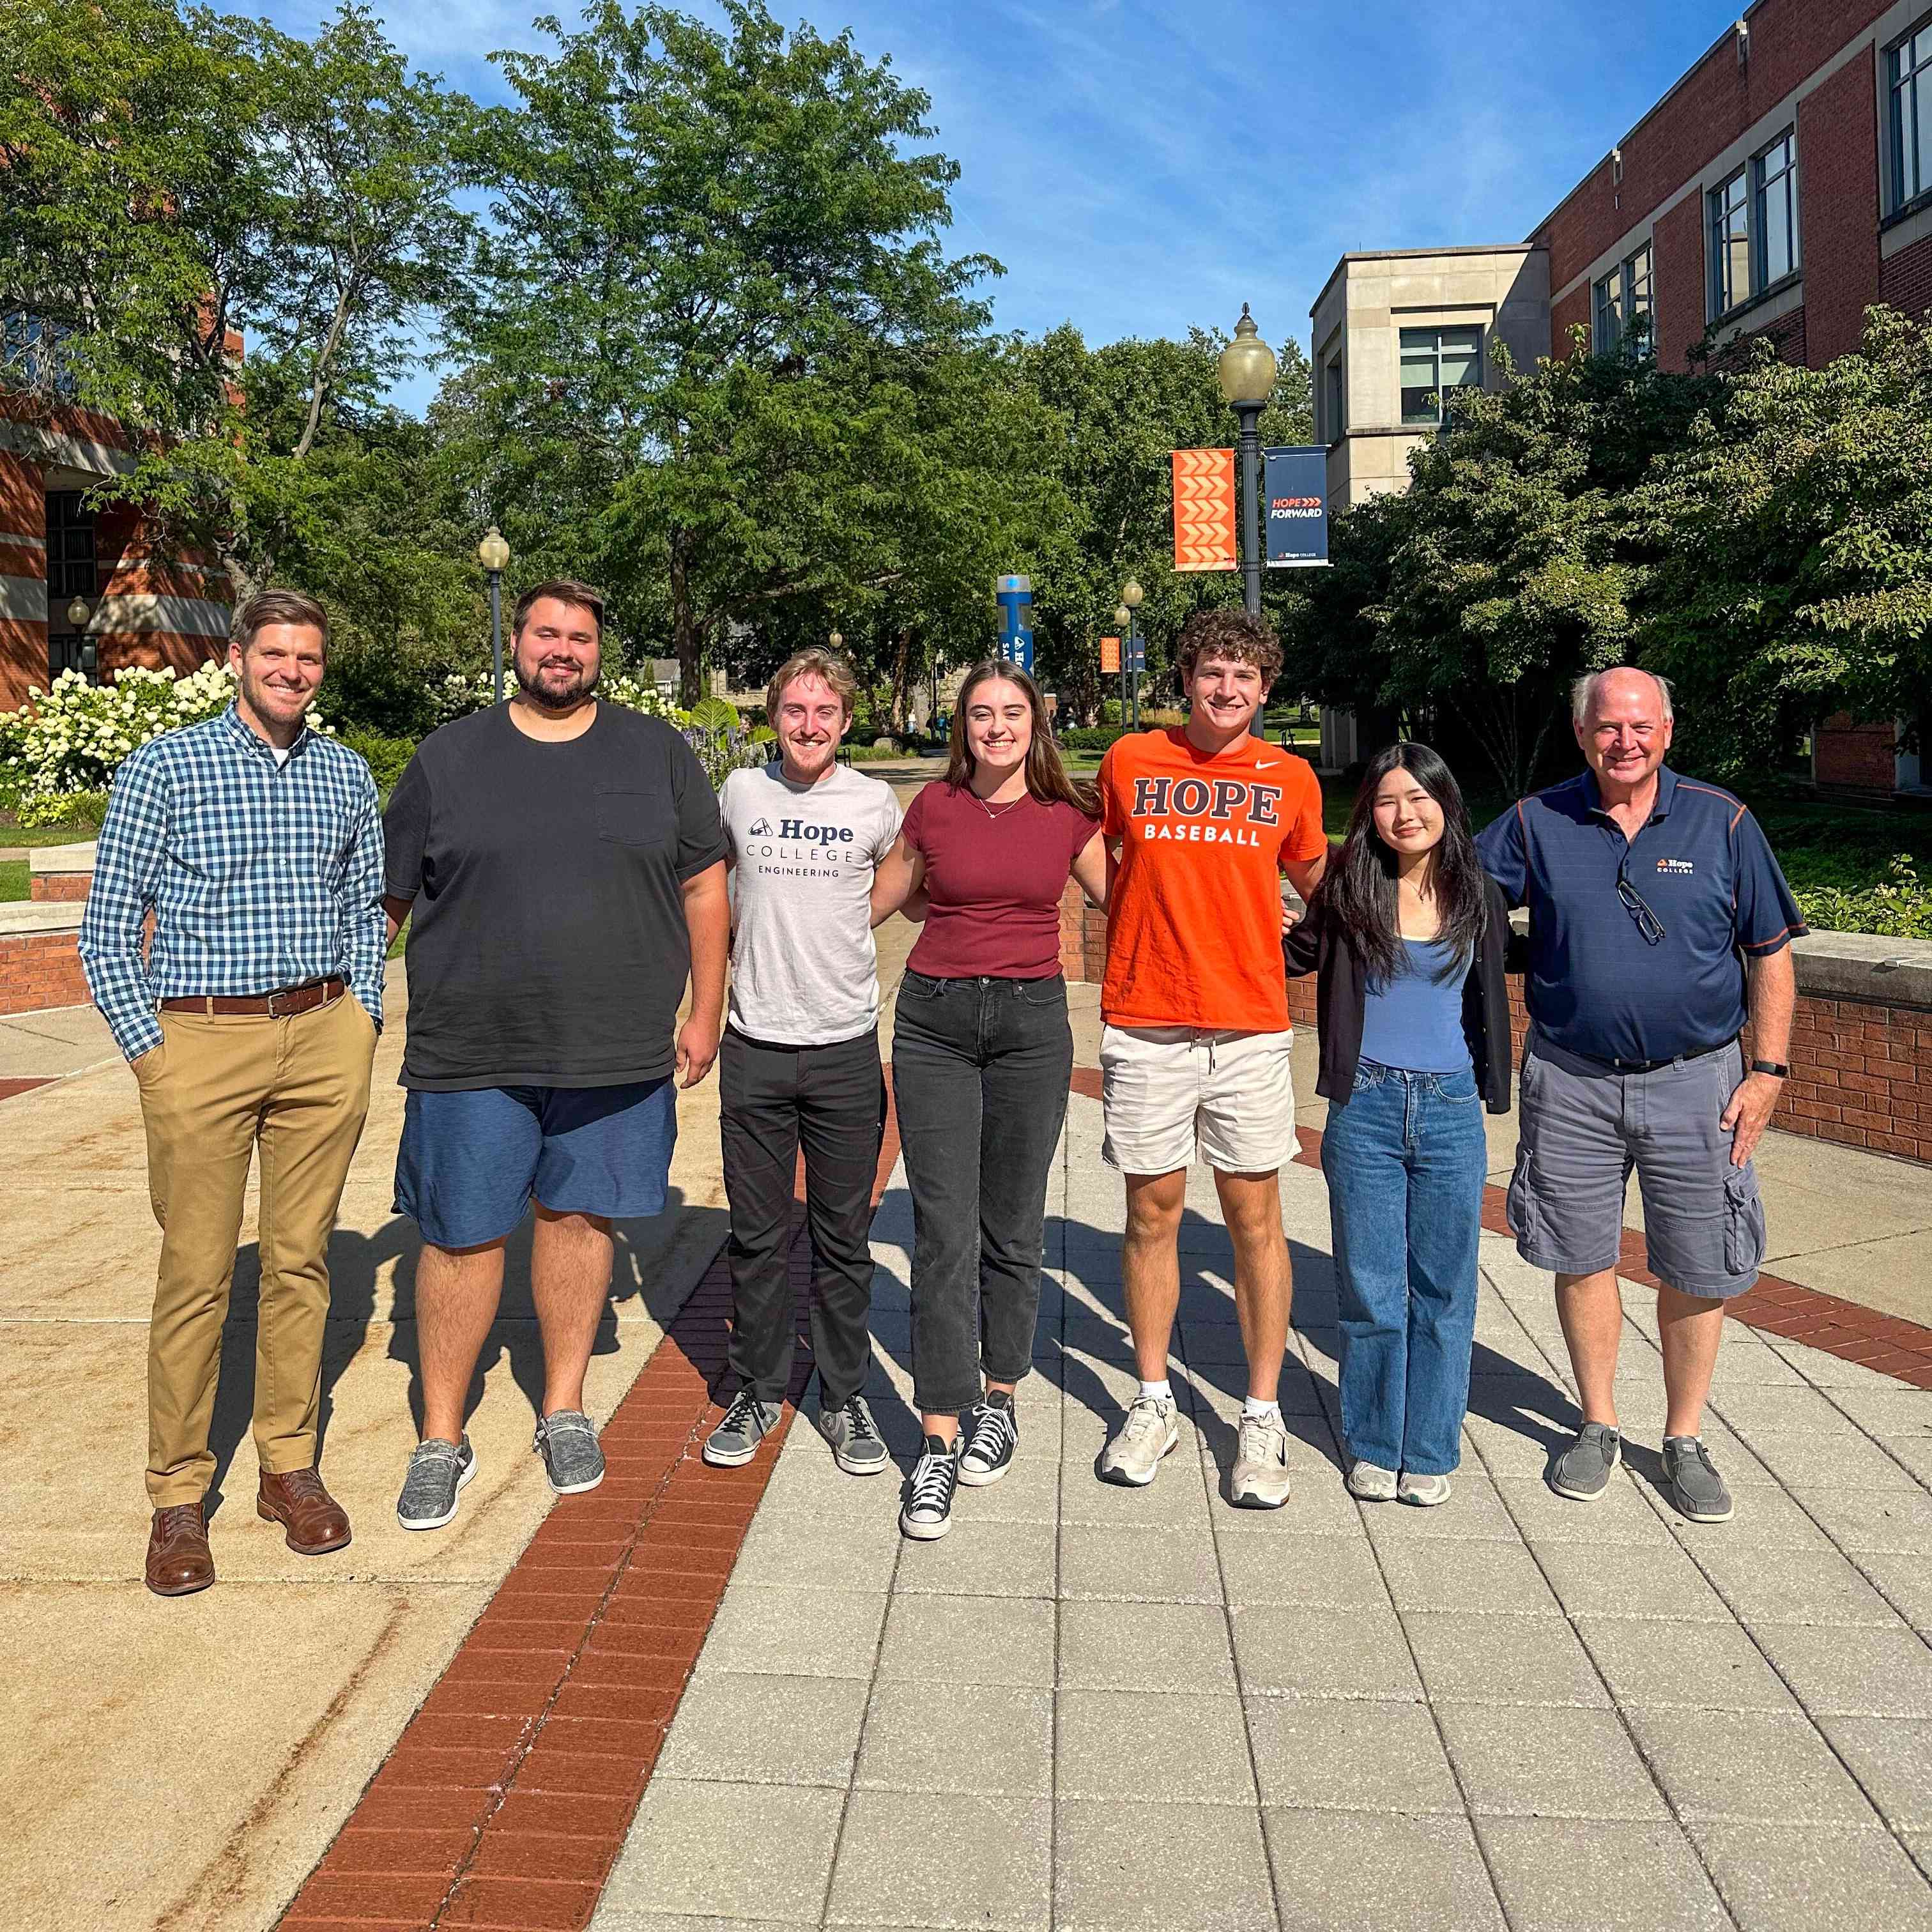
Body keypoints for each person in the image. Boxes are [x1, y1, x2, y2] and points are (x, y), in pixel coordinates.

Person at [381, 580, 729, 1531]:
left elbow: (705, 888)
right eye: (546, 634)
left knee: (580, 1226)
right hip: (473, 1050)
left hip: (615, 1047)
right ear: (517, 645)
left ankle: (563, 1407)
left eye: (580, 636)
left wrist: (708, 1010)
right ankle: (441, 1436)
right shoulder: (450, 759)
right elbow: (389, 902)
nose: (562, 650)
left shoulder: (656, 755)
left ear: (597, 651)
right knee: (460, 1236)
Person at [79, 590, 385, 1597]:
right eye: (275, 654)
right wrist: (152, 1058)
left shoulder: (344, 773)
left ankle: (287, 1468)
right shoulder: (166, 767)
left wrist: (364, 1021)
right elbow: (106, 927)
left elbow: (363, 906)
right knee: (198, 1275)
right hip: (199, 1041)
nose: (292, 671)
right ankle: (177, 1496)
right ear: (237, 658)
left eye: (307, 658)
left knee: (299, 1264)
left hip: (321, 1036)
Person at [1477, 667, 1805, 1524]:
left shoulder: (1722, 819)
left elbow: (1770, 951)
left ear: (1668, 729)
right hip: (1570, 1078)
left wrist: (1766, 1075)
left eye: (1641, 726)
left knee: (1700, 1266)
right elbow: (1445, 892)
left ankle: (1684, 1437)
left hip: (1700, 1083)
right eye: (1607, 727)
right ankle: (1597, 1422)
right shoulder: (1534, 822)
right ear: (1581, 732)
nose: (1625, 742)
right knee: (1582, 1256)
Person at [1094, 606, 1328, 1507]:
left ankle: (1260, 1415)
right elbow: (1089, 849)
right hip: (1148, 1019)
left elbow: (1321, 886)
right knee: (1153, 1213)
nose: (1227, 690)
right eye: (1211, 673)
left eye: (1245, 677)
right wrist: (1128, 921)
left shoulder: (1291, 776)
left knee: (1253, 1217)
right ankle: (1153, 1399)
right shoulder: (1130, 760)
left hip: (1250, 1029)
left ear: (1265, 690)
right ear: (1185, 679)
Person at [871, 661, 1107, 1539]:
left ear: (1035, 723)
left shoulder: (1068, 815)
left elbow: (1134, 899)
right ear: (961, 725)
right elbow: (877, 903)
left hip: (1031, 1026)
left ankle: (999, 1395)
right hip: (933, 1022)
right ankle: (938, 1433)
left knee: (1013, 1224)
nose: (996, 727)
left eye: (1012, 713)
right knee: (943, 1232)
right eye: (980, 714)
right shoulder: (932, 811)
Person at [1285, 744, 1514, 1505]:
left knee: (1445, 1290)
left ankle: (1432, 1447)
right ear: (1369, 813)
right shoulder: (1352, 883)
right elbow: (1294, 955)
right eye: (1387, 801)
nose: (1404, 814)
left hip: (1450, 1109)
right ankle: (1377, 1443)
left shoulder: (1478, 889)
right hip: (1366, 1105)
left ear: (1445, 803)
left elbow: (1522, 970)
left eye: (1419, 798)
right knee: (1372, 1288)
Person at [702, 649, 900, 1475]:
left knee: (843, 1237)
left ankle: (845, 1393)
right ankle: (757, 1386)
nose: (809, 725)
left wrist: (851, 921)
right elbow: (710, 889)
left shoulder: (876, 803)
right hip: (757, 1044)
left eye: (824, 712)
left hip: (845, 1048)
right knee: (756, 1235)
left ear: (846, 722)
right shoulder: (742, 794)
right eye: (794, 711)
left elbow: (899, 883)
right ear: (773, 717)